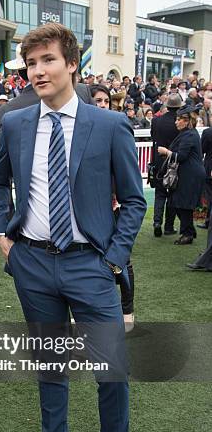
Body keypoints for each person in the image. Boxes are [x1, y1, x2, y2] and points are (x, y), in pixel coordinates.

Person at [0, 23, 146, 432]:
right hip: (32, 262)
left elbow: (135, 201)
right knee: (49, 368)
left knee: (110, 372)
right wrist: (2, 239)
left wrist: (113, 260)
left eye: (47, 60)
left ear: (72, 64)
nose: (37, 71)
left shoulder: (109, 125)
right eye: (31, 63)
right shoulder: (13, 123)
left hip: (90, 266)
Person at [91, 84, 136, 332]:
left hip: (113, 208)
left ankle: (127, 310)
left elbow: (131, 189)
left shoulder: (116, 127)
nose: (102, 104)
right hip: (87, 213)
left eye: (105, 101)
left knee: (123, 261)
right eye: (97, 100)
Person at [157, 103, 206, 245]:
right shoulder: (187, 133)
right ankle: (188, 232)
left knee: (182, 205)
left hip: (190, 175)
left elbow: (182, 156)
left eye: (179, 119)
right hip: (188, 174)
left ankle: (188, 233)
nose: (176, 122)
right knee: (178, 204)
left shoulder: (189, 135)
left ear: (187, 121)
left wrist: (166, 152)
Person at [150, 93, 181, 236]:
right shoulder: (180, 122)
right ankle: (168, 226)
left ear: (167, 105)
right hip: (175, 161)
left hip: (159, 161)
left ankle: (157, 222)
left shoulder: (157, 121)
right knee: (173, 194)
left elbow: (153, 137)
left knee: (160, 193)